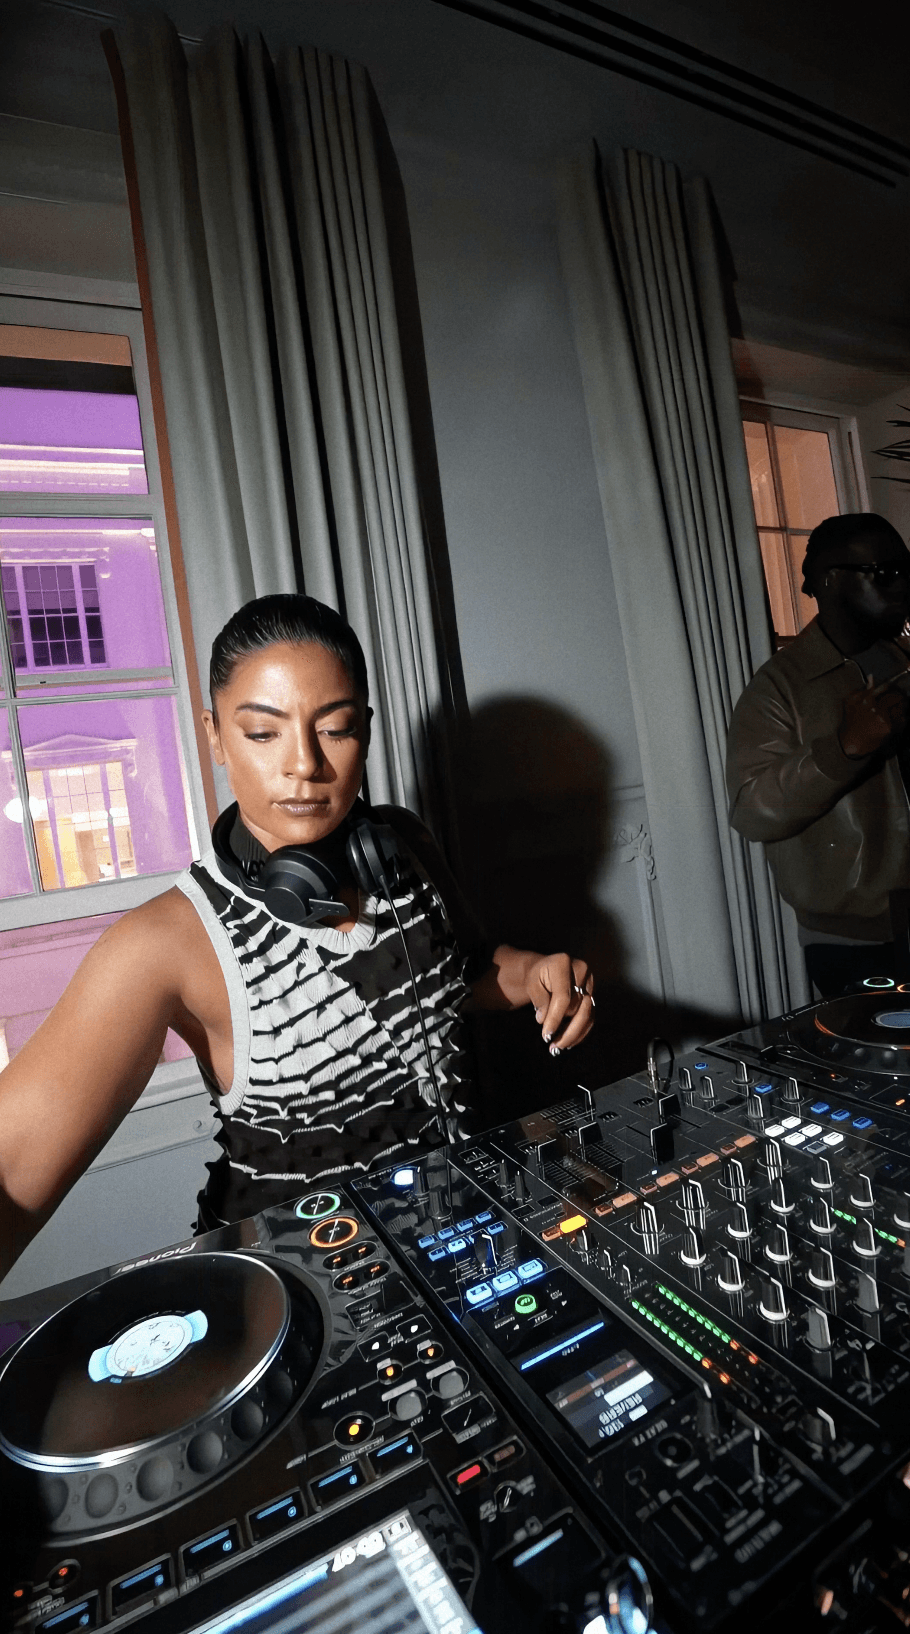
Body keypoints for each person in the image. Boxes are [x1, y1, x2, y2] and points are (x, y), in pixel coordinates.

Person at [0, 595, 594, 1280]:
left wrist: (534, 973)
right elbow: (13, 1166)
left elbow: (466, 972)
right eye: (262, 734)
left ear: (365, 731)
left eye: (335, 729)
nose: (303, 765)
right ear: (215, 735)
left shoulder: (402, 844)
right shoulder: (163, 942)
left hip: (458, 1241)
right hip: (296, 1293)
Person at [726, 512, 910, 998]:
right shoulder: (779, 688)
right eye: (886, 574)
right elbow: (751, 813)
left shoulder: (903, 661)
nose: (903, 586)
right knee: (881, 1072)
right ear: (830, 581)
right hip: (856, 941)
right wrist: (843, 749)